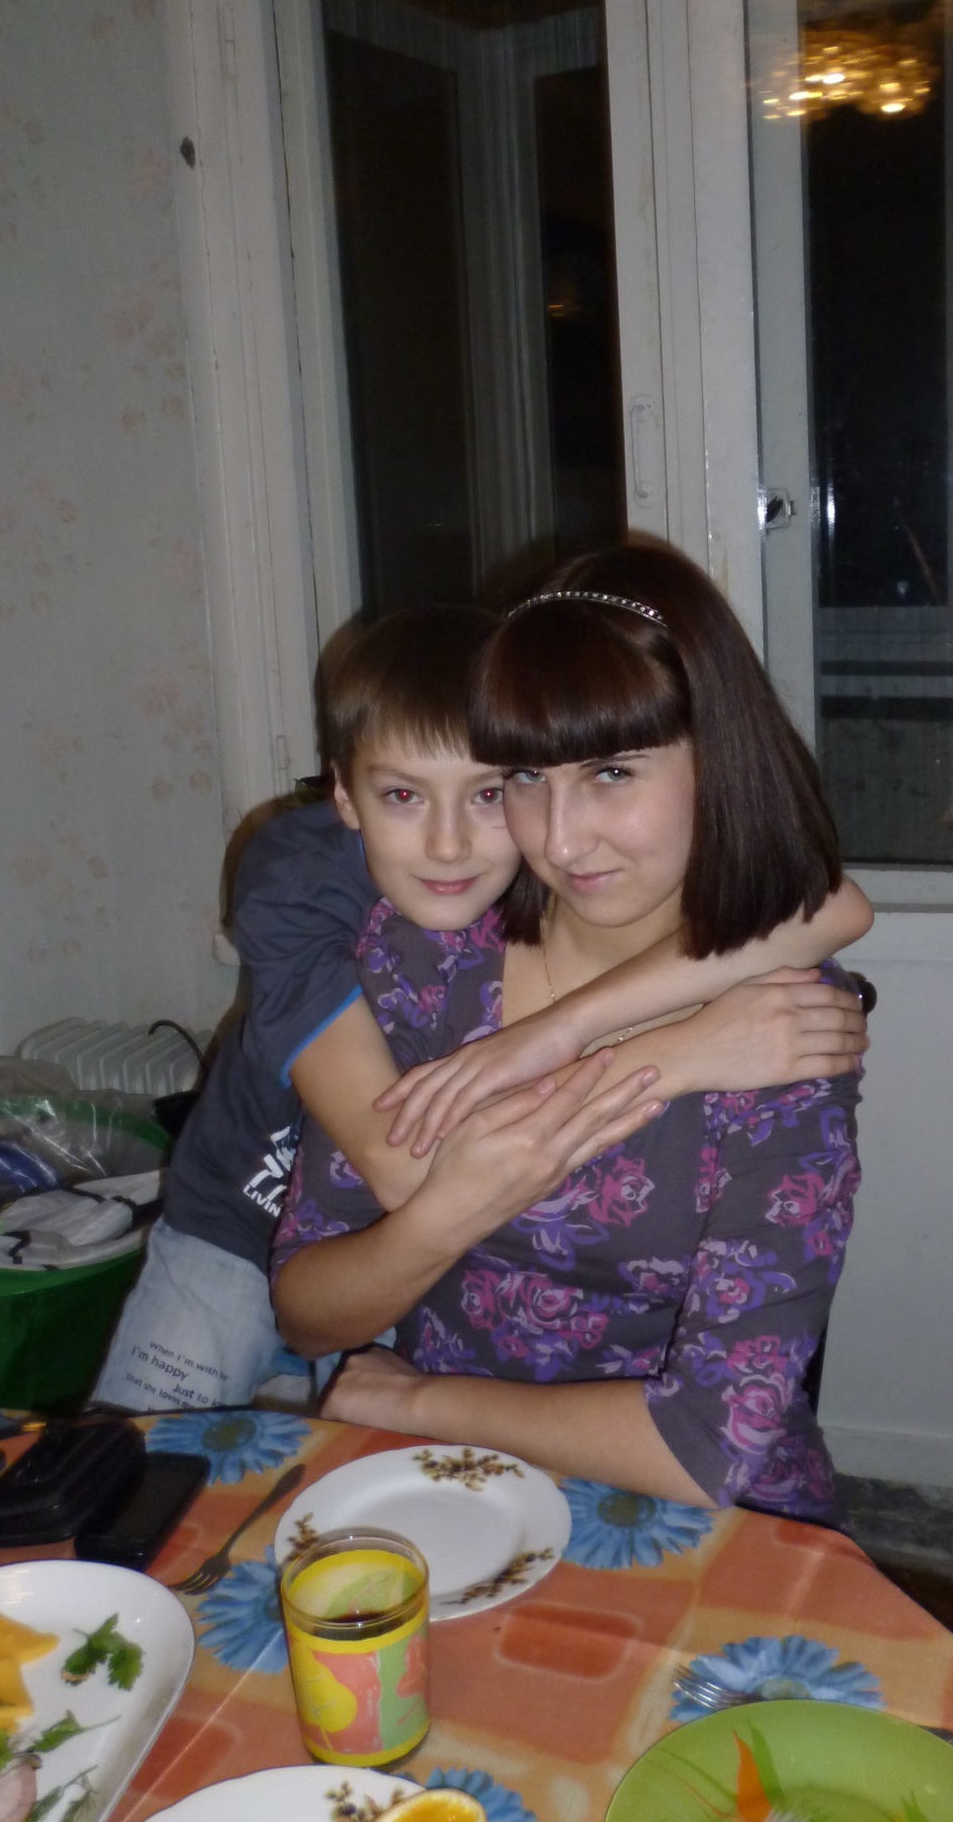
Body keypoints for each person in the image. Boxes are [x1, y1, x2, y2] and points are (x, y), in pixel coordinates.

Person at [98, 595, 869, 1413]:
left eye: (493, 793)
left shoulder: (536, 865)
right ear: (345, 797)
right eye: (403, 796)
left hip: (379, 1279)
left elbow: (838, 908)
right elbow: (407, 1166)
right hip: (232, 1230)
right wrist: (672, 1056)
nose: (448, 845)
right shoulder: (300, 881)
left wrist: (562, 1028)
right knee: (135, 1463)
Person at [271, 540, 865, 1520]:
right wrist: (440, 1217)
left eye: (613, 772)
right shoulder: (430, 960)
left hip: (687, 1524)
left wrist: (417, 1401)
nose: (559, 837)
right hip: (450, 1495)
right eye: (524, 777)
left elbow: (708, 1445)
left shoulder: (780, 1030)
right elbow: (304, 1311)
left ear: (718, 759)